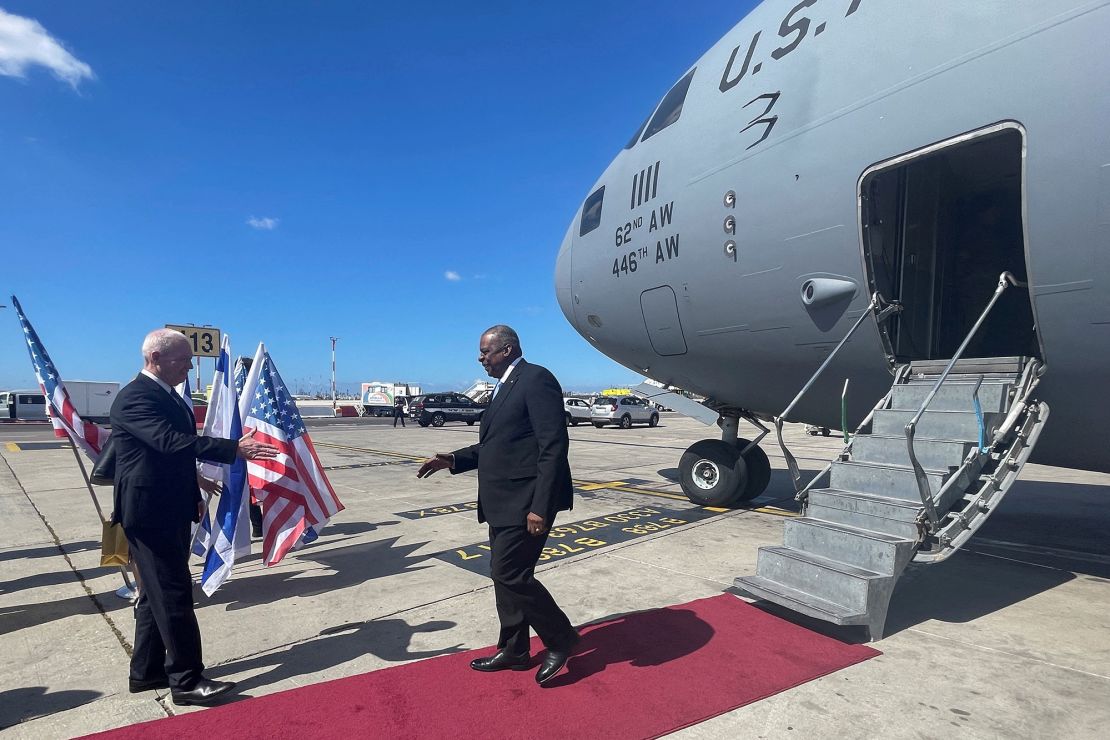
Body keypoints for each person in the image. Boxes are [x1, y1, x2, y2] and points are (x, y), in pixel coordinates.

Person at [110, 329, 278, 706]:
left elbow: (167, 456)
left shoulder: (167, 396)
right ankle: (186, 681)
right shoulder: (136, 398)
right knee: (173, 595)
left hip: (168, 505)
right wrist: (234, 448)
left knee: (156, 595)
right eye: (182, 359)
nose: (189, 365)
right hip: (149, 512)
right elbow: (169, 442)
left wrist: (193, 489)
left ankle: (147, 672)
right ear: (155, 358)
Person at [417, 325, 579, 685]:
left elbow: (553, 446)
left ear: (506, 350)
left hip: (526, 503)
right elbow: (499, 445)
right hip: (501, 502)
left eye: (485, 352)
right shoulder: (505, 385)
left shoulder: (536, 379)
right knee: (503, 577)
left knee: (511, 575)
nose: (480, 358)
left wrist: (541, 506)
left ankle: (561, 638)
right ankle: (515, 648)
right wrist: (454, 459)